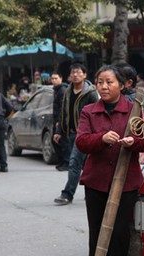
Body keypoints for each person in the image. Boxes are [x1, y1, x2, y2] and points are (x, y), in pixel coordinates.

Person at [75, 65, 144, 256]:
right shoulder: (89, 111)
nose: (104, 86)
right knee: (97, 231)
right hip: (96, 181)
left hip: (126, 181)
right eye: (100, 82)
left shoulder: (135, 109)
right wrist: (101, 138)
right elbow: (81, 141)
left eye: (109, 82)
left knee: (120, 233)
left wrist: (134, 142)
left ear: (122, 85)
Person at [53, 63, 98, 205]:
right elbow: (63, 112)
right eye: (73, 73)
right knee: (84, 164)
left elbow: (97, 114)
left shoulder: (90, 93)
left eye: (78, 72)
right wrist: (59, 131)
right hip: (71, 133)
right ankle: (92, 192)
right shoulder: (67, 91)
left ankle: (67, 194)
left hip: (85, 134)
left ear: (84, 75)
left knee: (74, 163)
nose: (75, 75)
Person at [50, 72, 69, 171]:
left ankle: (66, 162)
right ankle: (62, 161)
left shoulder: (63, 90)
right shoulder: (56, 90)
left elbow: (63, 108)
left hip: (61, 120)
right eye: (52, 78)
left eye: (56, 78)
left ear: (61, 78)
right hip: (56, 119)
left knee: (62, 141)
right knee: (55, 141)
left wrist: (59, 121)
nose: (54, 80)